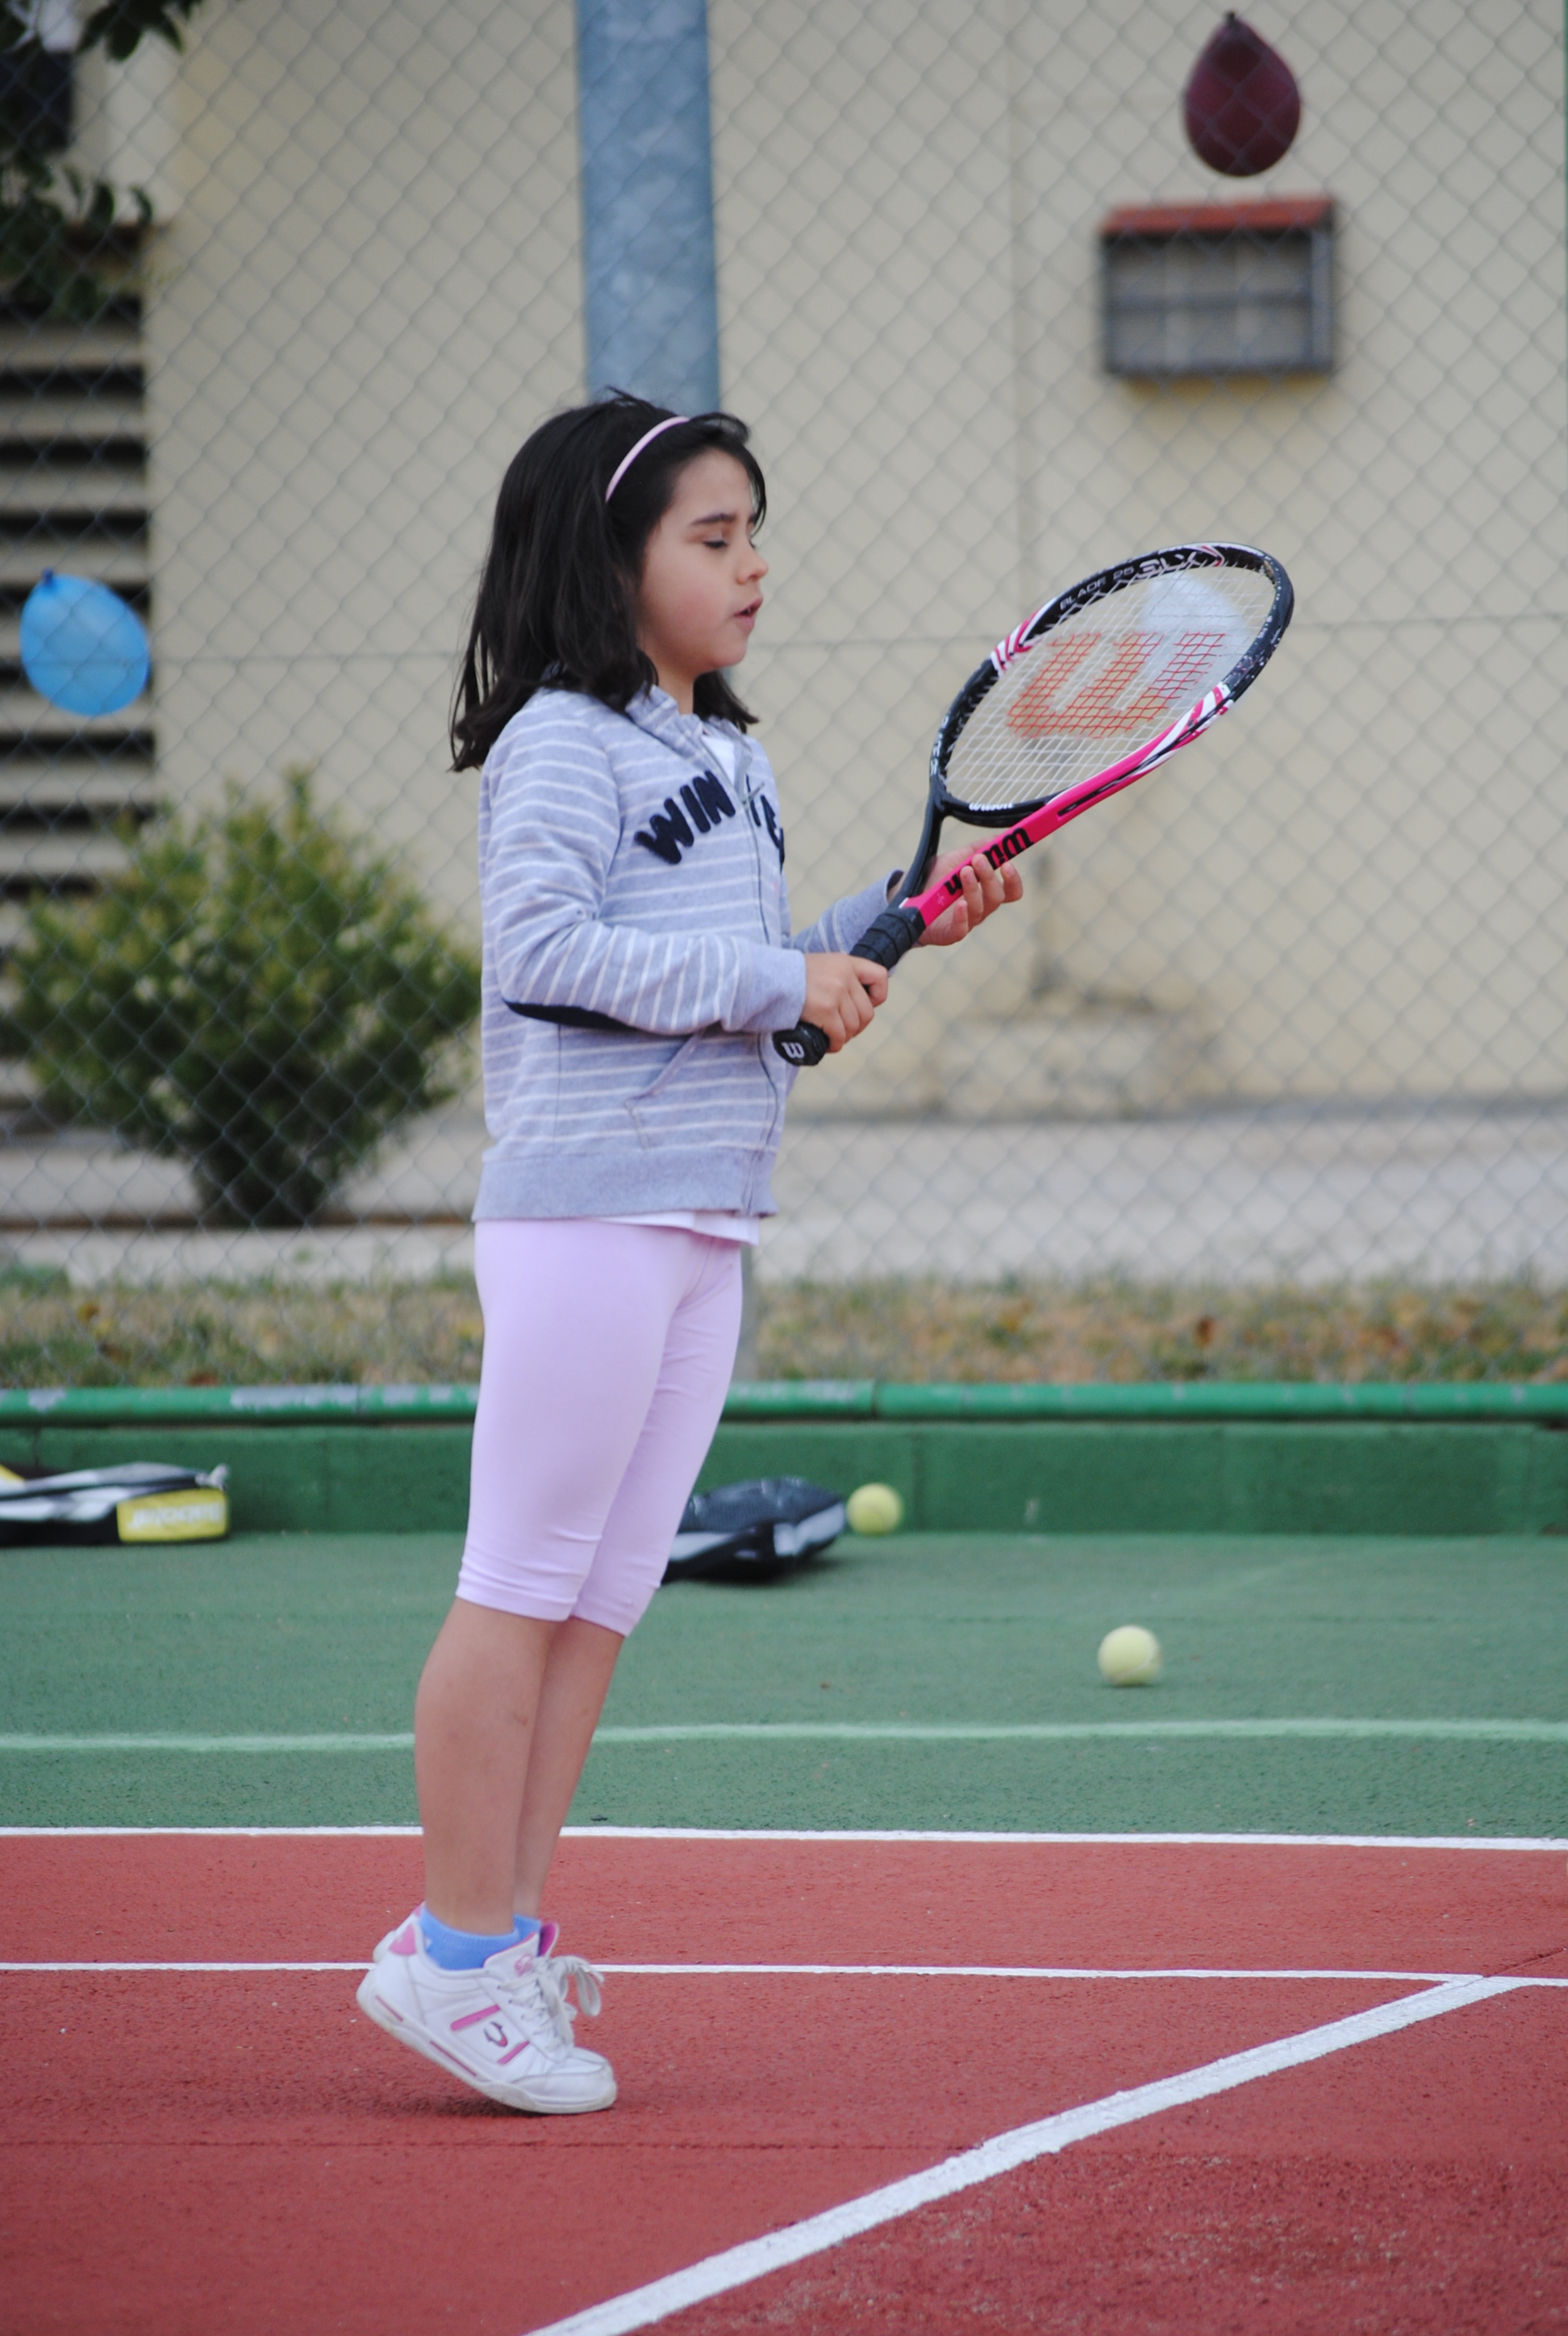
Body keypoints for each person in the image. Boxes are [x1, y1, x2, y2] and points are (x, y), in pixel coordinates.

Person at [357, 395, 1022, 2112]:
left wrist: (880, 933)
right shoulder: (562, 740)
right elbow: (544, 953)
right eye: (711, 537)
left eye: (753, 533)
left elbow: (744, 993)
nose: (752, 565)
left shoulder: (732, 756)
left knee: (599, 1607)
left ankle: (499, 1941)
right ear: (610, 559)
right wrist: (771, 980)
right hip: (586, 1214)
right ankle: (451, 1953)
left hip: (705, 1220)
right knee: (518, 1586)